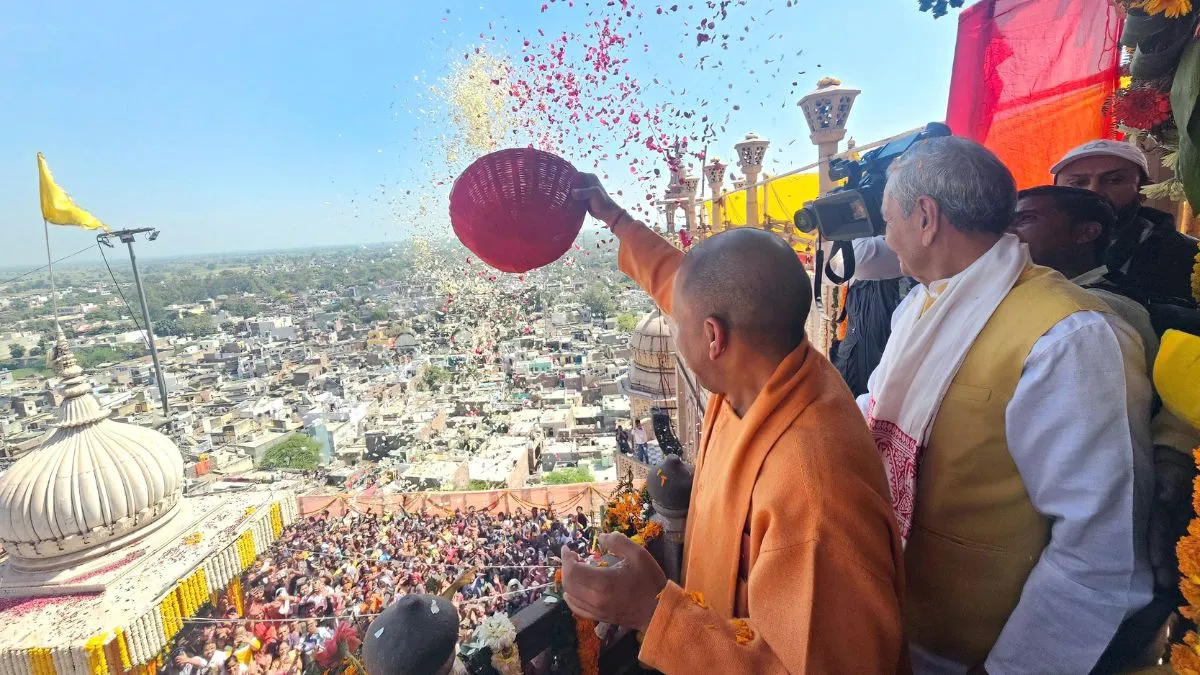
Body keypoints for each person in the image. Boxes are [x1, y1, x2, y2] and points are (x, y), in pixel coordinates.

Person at [561, 174, 907, 673]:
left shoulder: (813, 492)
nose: (674, 329)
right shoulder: (766, 367)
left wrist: (653, 611)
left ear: (712, 338)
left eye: (679, 325)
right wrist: (617, 219)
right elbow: (691, 285)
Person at [863, 136, 1153, 673]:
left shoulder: (1066, 336)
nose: (888, 238)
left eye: (888, 221)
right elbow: (875, 408)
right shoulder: (923, 302)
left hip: (977, 652)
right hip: (893, 616)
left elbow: (1098, 555)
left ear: (925, 218)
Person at [1051, 139, 1199, 305]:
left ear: (1142, 190)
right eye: (1078, 183)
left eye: (1114, 180)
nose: (1094, 191)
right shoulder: (1027, 250)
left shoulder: (1189, 258)